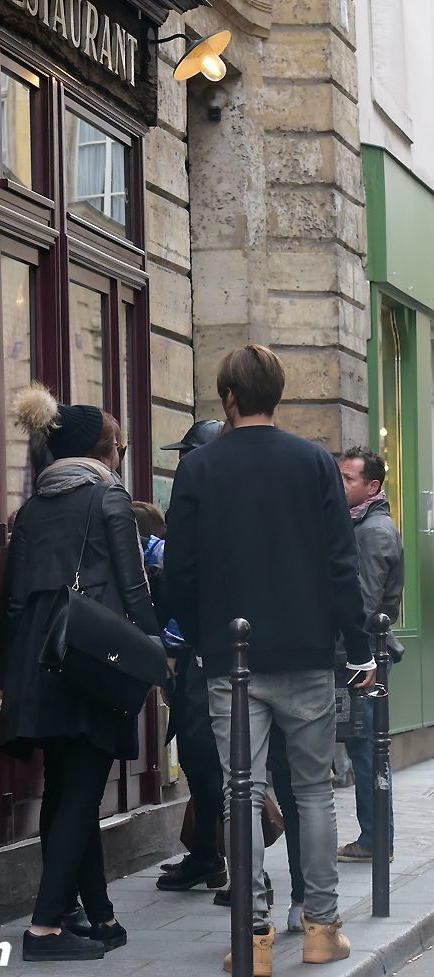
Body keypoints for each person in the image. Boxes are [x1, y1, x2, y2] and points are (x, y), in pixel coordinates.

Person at [165, 344, 376, 975]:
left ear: (228, 397)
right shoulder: (313, 463)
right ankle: (322, 928)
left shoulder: (200, 469)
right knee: (313, 792)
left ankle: (251, 936)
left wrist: (199, 636)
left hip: (231, 658)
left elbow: (178, 570)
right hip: (306, 651)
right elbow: (341, 564)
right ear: (276, 395)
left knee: (242, 792)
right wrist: (358, 648)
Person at [0, 382, 161, 964]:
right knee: (81, 793)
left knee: (67, 791)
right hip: (92, 663)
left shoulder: (32, 507)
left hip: (41, 668)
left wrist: (4, 677)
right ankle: (43, 929)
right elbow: (134, 590)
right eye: (119, 447)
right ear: (102, 451)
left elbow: (13, 601)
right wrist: (154, 653)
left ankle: (96, 915)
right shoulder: (109, 498)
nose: (120, 456)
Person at [133, 494, 228, 894]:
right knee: (203, 761)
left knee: (209, 762)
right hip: (202, 660)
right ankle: (210, 856)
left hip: (202, 661)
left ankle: (232, 865)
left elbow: (185, 597)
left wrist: (171, 649)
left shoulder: (195, 540)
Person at [337, 446, 403, 863]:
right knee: (364, 747)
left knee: (366, 749)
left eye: (349, 478)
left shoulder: (373, 531)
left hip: (365, 657)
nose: (340, 484)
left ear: (372, 485)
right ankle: (375, 837)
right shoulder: (360, 523)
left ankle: (376, 840)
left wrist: (362, 658)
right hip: (363, 653)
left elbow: (366, 603)